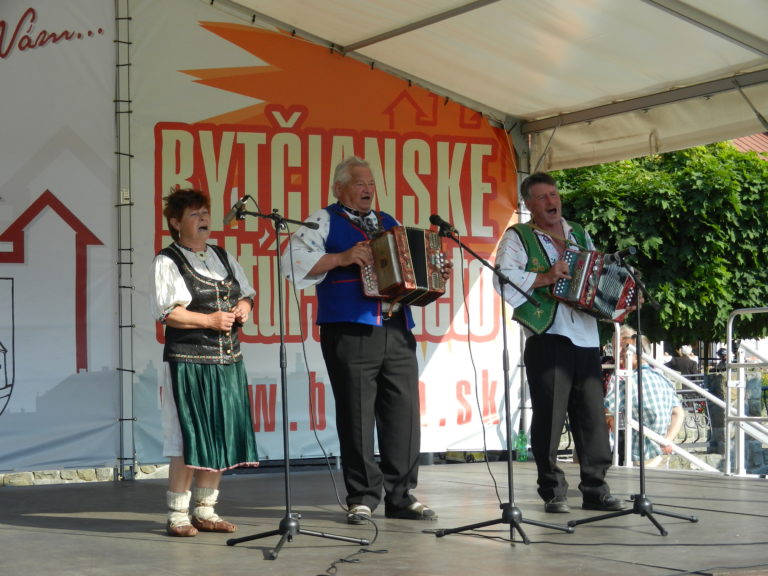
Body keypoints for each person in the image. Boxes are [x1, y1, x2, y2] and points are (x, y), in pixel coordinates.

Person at [281, 156, 449, 524]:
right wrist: (340, 258)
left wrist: (435, 270)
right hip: (350, 329)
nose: (368, 189)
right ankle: (362, 497)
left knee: (403, 414)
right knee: (356, 415)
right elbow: (289, 262)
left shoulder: (390, 223)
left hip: (396, 327)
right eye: (359, 183)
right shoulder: (323, 220)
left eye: (371, 183)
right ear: (339, 188)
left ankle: (401, 496)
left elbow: (412, 271)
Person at [493, 171, 623, 514]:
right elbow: (502, 278)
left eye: (554, 195)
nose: (551, 201)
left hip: (587, 335)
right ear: (528, 204)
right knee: (550, 417)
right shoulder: (518, 237)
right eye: (542, 197)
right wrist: (546, 277)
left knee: (592, 416)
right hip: (548, 334)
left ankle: (596, 489)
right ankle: (553, 491)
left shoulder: (578, 232)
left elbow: (596, 272)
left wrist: (619, 293)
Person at [150, 187, 259, 537]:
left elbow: (246, 294)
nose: (203, 219)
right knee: (189, 435)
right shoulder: (167, 260)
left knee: (220, 433)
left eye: (205, 213)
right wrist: (209, 320)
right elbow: (169, 313)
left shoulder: (222, 256)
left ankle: (206, 510)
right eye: (194, 214)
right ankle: (177, 515)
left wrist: (243, 307)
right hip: (189, 361)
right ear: (175, 223)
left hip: (227, 359)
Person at [605, 331, 685, 467]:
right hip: (660, 452)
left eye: (625, 351)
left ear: (635, 354)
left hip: (637, 455)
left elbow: (606, 410)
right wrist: (667, 440)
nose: (622, 355)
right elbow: (678, 413)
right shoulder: (663, 379)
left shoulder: (628, 382)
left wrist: (610, 420)